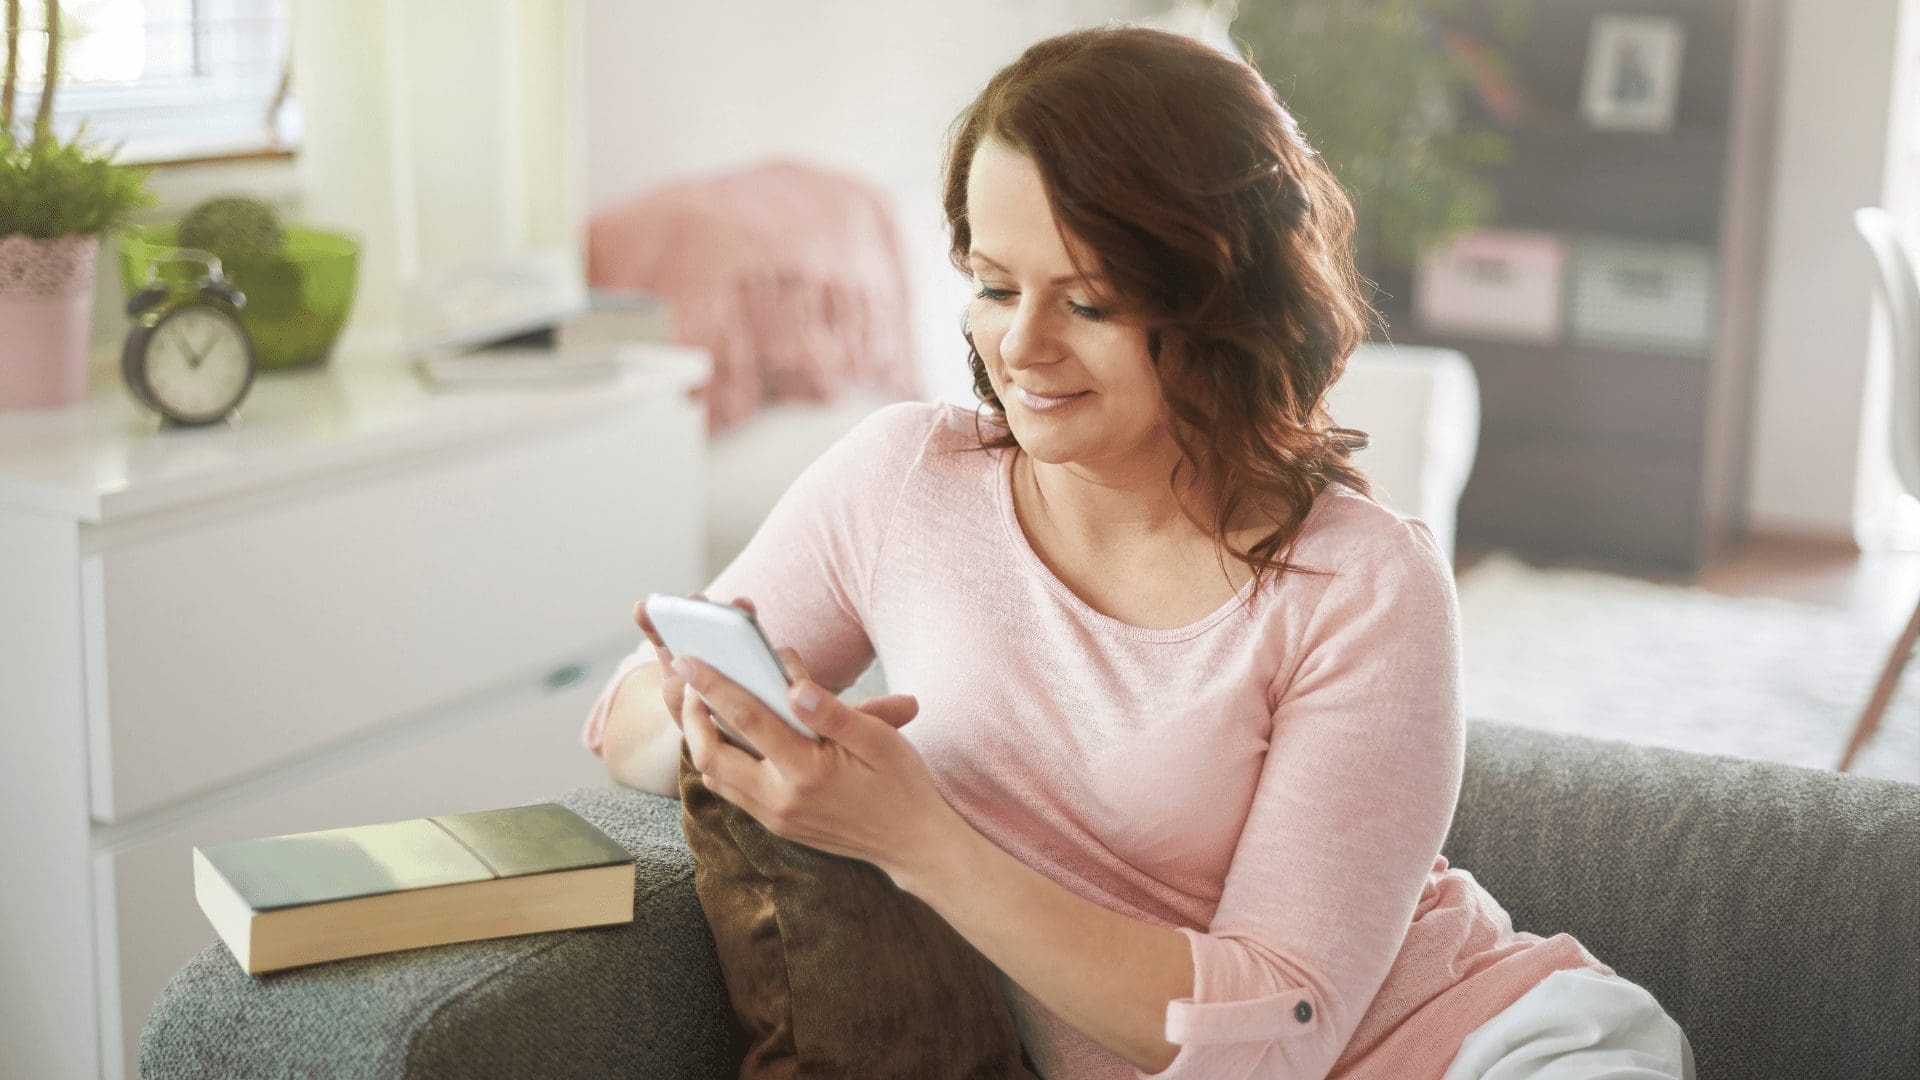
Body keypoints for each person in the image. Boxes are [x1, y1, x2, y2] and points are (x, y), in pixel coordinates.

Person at [584, 25, 1695, 1080]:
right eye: (994, 285)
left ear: (1225, 303)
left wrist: (919, 840)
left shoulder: (1361, 585)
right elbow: (625, 719)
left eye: (1091, 301)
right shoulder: (904, 480)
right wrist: (720, 728)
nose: (1022, 347)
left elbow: (1273, 1038)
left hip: (1483, 1049)